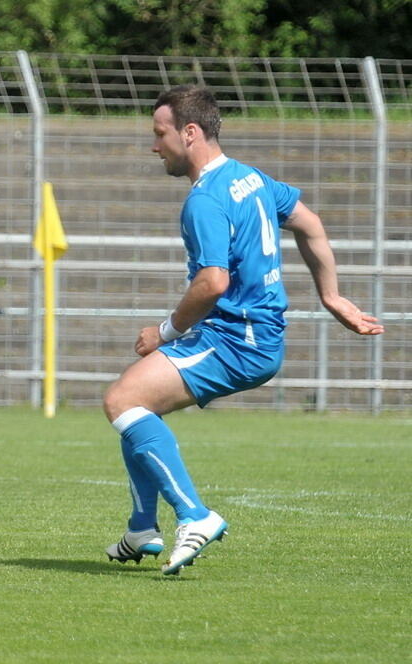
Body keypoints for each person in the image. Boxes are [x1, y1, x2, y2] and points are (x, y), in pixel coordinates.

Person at [103, 85, 383, 575]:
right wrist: (331, 296)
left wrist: (164, 332)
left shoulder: (205, 200)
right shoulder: (249, 179)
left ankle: (195, 515)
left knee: (123, 401)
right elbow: (311, 224)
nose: (154, 146)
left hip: (238, 340)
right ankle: (142, 527)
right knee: (137, 400)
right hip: (250, 335)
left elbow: (213, 282)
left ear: (190, 133)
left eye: (159, 133)